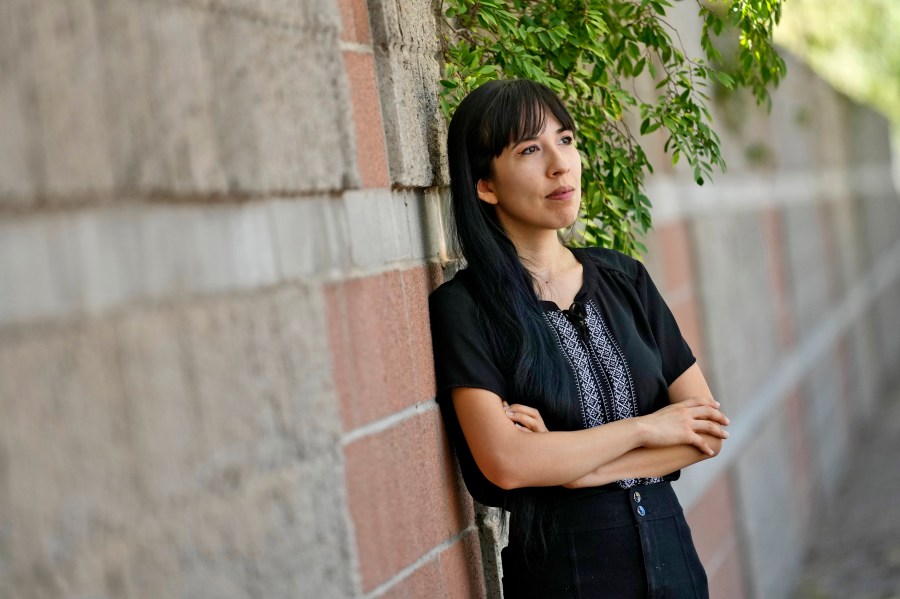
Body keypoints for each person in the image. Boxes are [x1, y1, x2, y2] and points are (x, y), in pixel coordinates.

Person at [428, 79, 730, 598]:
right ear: (485, 185)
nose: (560, 164)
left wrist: (576, 468)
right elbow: (507, 462)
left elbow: (702, 432)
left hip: (675, 566)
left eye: (565, 140)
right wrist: (646, 429)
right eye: (530, 149)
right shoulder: (466, 308)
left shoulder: (625, 279)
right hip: (564, 577)